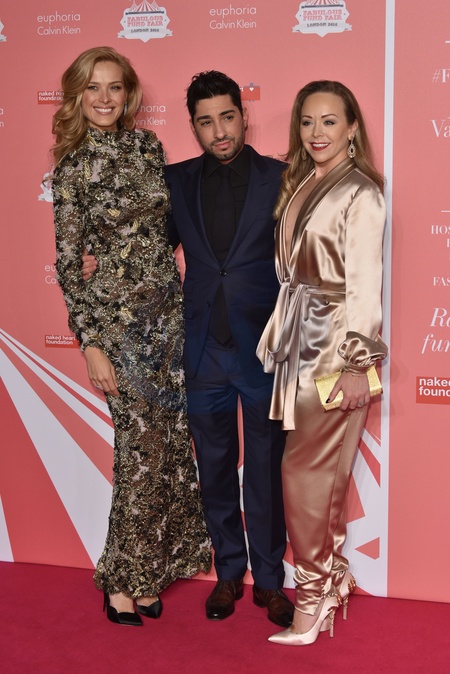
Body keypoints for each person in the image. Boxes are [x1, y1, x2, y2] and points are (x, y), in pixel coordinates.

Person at [51, 46, 211, 627]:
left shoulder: (148, 148)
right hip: (117, 327)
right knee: (139, 449)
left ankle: (147, 574)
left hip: (167, 316)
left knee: (167, 449)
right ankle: (119, 580)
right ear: (77, 96)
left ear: (128, 94)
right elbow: (69, 265)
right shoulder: (72, 169)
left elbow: (164, 232)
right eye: (92, 88)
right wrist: (91, 343)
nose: (104, 98)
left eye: (114, 87)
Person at [257, 80, 388, 645]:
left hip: (334, 347)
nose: (317, 132)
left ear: (352, 127)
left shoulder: (362, 192)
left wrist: (358, 364)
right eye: (308, 121)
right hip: (300, 339)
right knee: (308, 473)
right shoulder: (305, 181)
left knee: (307, 475)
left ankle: (312, 599)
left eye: (330, 121)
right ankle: (327, 583)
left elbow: (363, 285)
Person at [164, 71, 293, 626]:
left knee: (265, 469)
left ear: (244, 115)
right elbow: (150, 253)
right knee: (214, 467)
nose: (219, 131)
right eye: (205, 121)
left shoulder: (281, 179)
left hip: (263, 350)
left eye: (227, 117)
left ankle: (270, 581)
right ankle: (228, 573)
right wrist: (99, 263)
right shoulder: (175, 181)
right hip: (202, 350)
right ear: (193, 126)